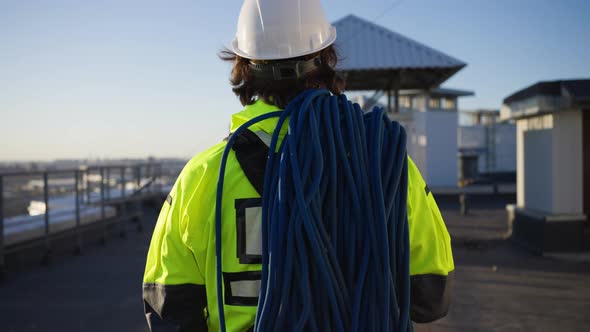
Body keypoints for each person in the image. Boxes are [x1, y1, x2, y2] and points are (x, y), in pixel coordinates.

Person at [142, 0, 454, 331]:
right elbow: (430, 297)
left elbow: (167, 306)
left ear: (244, 67)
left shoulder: (203, 176)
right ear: (327, 58)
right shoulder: (385, 161)